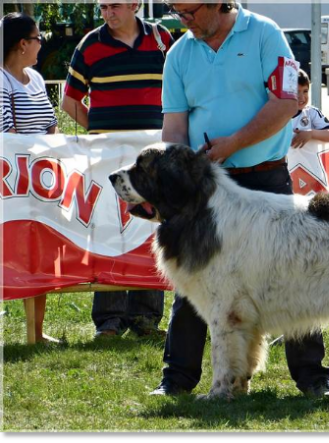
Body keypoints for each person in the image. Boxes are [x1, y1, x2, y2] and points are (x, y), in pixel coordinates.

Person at [149, 1, 329, 399]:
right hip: (204, 186)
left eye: (188, 11)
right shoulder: (179, 53)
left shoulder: (265, 34)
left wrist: (232, 144)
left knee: (293, 273)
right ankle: (176, 380)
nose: (182, 20)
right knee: (193, 282)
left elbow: (286, 104)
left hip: (264, 177)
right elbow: (175, 128)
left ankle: (314, 379)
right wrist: (169, 184)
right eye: (175, 11)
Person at [62, 0, 173, 338]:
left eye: (115, 6)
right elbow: (70, 101)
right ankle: (109, 319)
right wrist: (101, 134)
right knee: (109, 230)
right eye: (103, 6)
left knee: (150, 230)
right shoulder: (91, 45)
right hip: (108, 162)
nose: (108, 13)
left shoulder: (161, 39)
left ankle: (145, 318)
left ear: (135, 5)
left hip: (152, 163)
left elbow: (181, 89)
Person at [1, 12, 60, 344]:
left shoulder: (35, 79)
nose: (41, 44)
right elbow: (6, 135)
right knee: (20, 254)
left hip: (42, 179)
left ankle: (35, 332)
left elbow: (51, 122)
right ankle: (32, 332)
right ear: (23, 44)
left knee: (40, 253)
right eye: (38, 38)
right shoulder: (0, 81)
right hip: (14, 183)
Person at [291, 69, 329, 149]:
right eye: (296, 92)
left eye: (305, 91)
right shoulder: (276, 114)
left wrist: (311, 133)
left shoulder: (311, 112)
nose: (302, 97)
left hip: (307, 161)